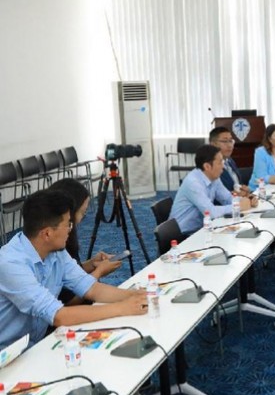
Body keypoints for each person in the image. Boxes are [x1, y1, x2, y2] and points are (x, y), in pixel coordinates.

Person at [0, 190, 149, 351]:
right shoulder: (10, 264)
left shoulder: (56, 252)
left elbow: (91, 288)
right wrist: (122, 308)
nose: (70, 230)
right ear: (47, 233)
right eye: (67, 224)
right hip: (6, 353)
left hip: (34, 345)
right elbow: (59, 316)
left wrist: (135, 295)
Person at [170, 144, 257, 236]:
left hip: (202, 229)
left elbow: (227, 198)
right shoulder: (193, 183)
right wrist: (238, 206)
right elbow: (211, 212)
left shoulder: (214, 177)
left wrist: (247, 200)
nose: (223, 166)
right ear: (207, 166)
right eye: (220, 163)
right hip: (183, 235)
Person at [49, 178, 122, 280]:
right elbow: (72, 288)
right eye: (83, 212)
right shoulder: (55, 243)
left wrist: (92, 264)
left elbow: (71, 273)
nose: (83, 217)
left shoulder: (64, 235)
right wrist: (99, 272)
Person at [209, 126, 249, 196]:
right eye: (225, 141)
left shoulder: (230, 160)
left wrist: (243, 189)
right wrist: (235, 195)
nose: (230, 145)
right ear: (213, 144)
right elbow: (214, 196)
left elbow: (238, 184)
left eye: (231, 141)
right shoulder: (210, 166)